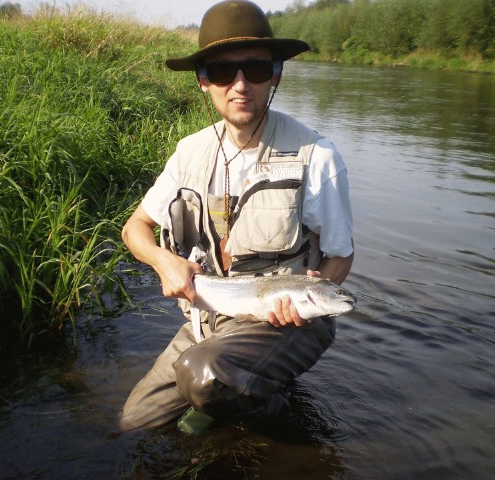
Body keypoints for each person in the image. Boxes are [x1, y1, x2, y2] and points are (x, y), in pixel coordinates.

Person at [119, 0, 354, 433]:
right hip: (207, 322)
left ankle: (284, 430)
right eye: (225, 73)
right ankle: (234, 392)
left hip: (284, 325)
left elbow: (340, 258)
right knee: (134, 424)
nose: (241, 85)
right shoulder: (188, 153)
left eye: (256, 70)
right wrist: (162, 260)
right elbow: (135, 229)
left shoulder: (317, 156)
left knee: (203, 378)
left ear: (276, 76)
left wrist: (313, 293)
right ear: (204, 81)